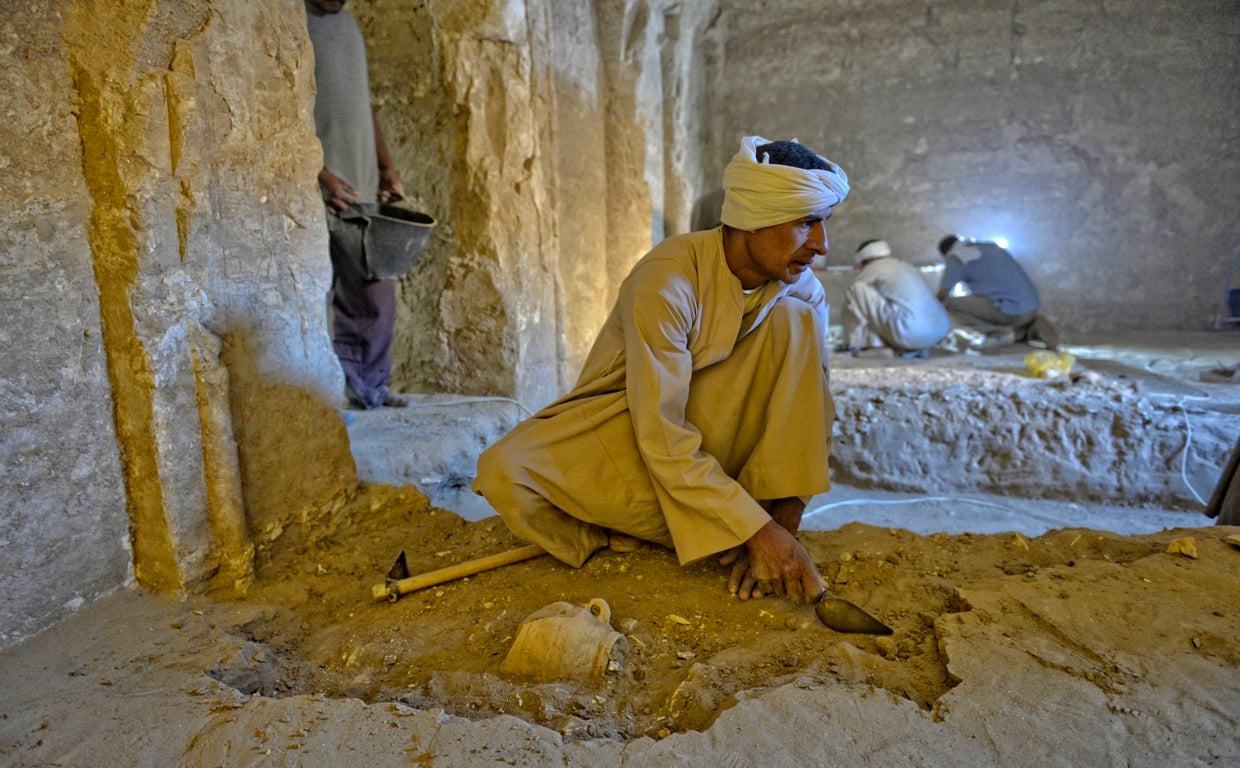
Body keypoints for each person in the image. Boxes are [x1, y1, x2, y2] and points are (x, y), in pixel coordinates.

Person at [473, 136, 849, 605]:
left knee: (797, 319)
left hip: (720, 444)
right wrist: (755, 532)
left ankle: (713, 521)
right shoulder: (669, 278)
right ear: (754, 219)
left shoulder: (803, 292)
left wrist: (781, 531)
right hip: (636, 424)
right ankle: (657, 529)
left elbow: (809, 417)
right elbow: (661, 429)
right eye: (806, 223)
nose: (821, 244)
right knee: (504, 470)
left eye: (824, 223)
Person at [307, 0, 409, 409]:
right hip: (317, 189)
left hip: (359, 189)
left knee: (373, 296)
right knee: (323, 299)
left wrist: (386, 167)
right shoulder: (293, 22)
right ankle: (338, 394)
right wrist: (319, 173)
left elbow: (363, 103)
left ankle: (369, 386)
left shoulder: (348, 25)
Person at [935, 234, 1059, 350]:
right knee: (983, 301)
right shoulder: (988, 247)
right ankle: (1029, 329)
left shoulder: (957, 256)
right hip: (1031, 308)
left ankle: (998, 333)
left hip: (1010, 310)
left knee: (949, 305)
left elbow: (942, 296)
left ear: (945, 253)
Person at [842, 239, 952, 358]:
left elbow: (859, 304)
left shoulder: (872, 269)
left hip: (910, 333)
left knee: (856, 290)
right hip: (937, 332)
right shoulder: (904, 265)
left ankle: (872, 346)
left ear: (863, 258)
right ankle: (909, 350)